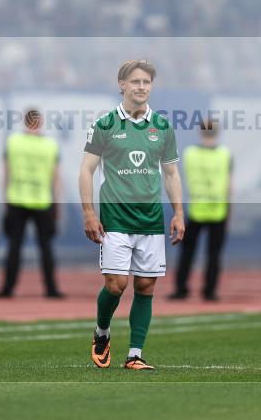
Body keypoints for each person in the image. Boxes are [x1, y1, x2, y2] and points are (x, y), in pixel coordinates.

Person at [80, 60, 185, 370]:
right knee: (115, 285)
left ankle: (134, 355)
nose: (141, 87)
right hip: (115, 218)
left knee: (146, 287)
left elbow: (171, 174)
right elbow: (86, 170)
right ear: (122, 85)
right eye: (135, 81)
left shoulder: (162, 127)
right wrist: (89, 212)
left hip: (151, 220)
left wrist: (178, 212)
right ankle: (102, 332)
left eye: (146, 82)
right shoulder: (105, 125)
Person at [0, 108, 64, 299]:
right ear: (40, 122)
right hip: (43, 201)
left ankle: (7, 288)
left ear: (25, 122)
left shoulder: (13, 142)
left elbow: (6, 173)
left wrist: (6, 199)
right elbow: (57, 178)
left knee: (14, 246)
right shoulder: (50, 145)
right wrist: (57, 204)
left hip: (17, 200)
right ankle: (51, 289)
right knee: (46, 247)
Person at [170, 119, 232, 301]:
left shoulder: (190, 153)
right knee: (214, 254)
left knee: (187, 252)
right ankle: (209, 291)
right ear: (218, 132)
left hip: (196, 209)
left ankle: (181, 289)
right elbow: (229, 185)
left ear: (200, 132)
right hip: (218, 210)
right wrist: (229, 211)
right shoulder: (225, 154)